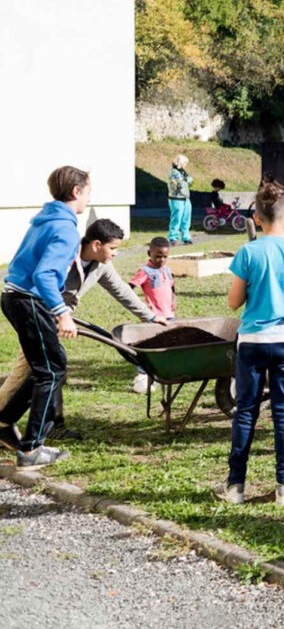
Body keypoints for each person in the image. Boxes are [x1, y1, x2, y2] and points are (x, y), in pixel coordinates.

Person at [0, 219, 169, 441]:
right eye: (113, 248)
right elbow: (42, 281)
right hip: (35, 312)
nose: (116, 253)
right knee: (38, 369)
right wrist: (59, 315)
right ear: (97, 245)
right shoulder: (66, 255)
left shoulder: (101, 265)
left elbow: (121, 290)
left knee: (49, 367)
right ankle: (16, 424)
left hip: (52, 316)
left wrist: (150, 316)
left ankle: (49, 424)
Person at [216, 181, 284, 506]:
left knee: (246, 411)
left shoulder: (248, 251)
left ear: (257, 218)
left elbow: (233, 302)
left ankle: (235, 487)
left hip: (253, 341)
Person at [0, 166, 90, 469]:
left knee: (48, 367)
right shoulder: (65, 227)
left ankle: (3, 422)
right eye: (88, 192)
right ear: (76, 191)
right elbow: (45, 274)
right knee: (51, 371)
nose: (88, 199)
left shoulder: (45, 219)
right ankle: (31, 449)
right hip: (28, 300)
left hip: (15, 297)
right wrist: (62, 313)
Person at [130, 237, 176, 325]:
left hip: (169, 314)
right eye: (158, 256)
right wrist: (139, 303)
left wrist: (174, 298)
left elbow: (172, 285)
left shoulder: (167, 270)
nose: (162, 260)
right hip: (154, 316)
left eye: (165, 257)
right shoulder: (145, 271)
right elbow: (129, 287)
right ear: (149, 253)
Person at [167, 154, 193, 246]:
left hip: (185, 198)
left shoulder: (182, 172)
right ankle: (172, 238)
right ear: (180, 162)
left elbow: (190, 181)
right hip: (176, 198)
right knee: (176, 219)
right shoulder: (174, 172)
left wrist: (187, 180)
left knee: (186, 219)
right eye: (185, 162)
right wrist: (187, 180)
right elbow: (180, 184)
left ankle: (186, 237)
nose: (186, 164)